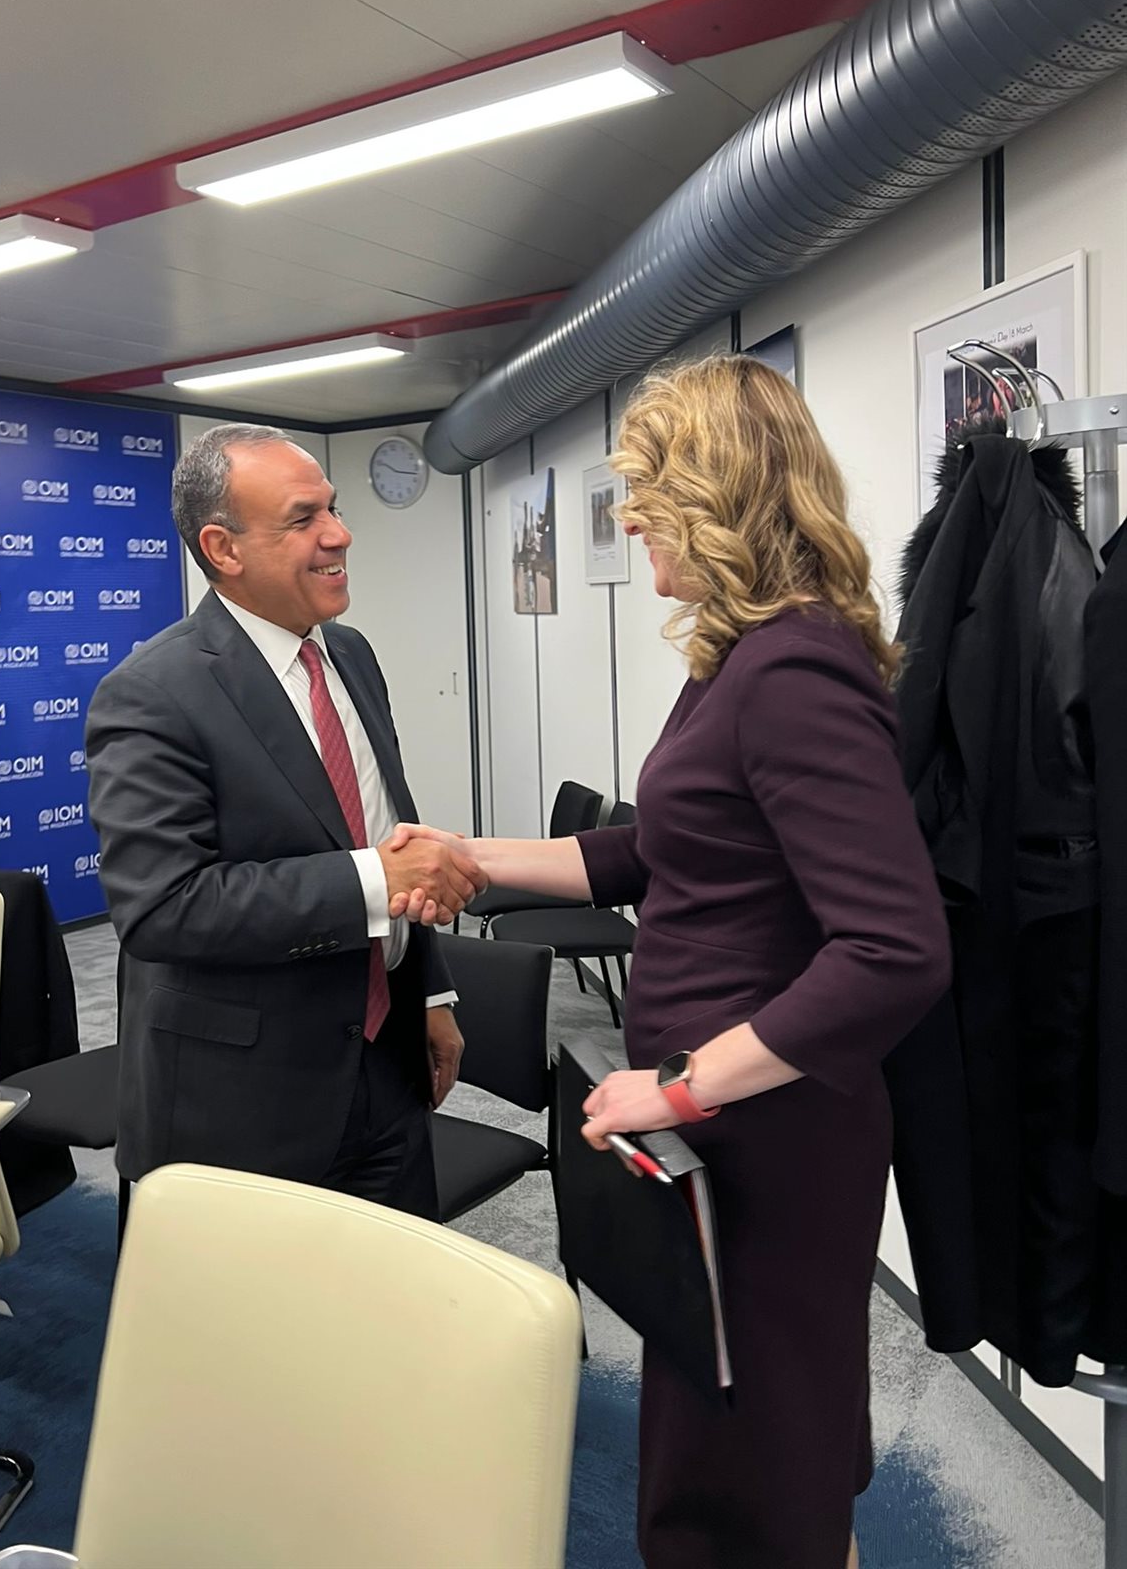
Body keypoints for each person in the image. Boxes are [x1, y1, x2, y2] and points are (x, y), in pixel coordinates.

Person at [394, 356, 951, 1567]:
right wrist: (470, 854)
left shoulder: (793, 669)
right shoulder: (736, 658)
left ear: (716, 494)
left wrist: (682, 1087)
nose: (632, 517)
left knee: (757, 1469)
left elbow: (896, 951)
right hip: (722, 1134)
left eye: (646, 491)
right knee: (741, 1444)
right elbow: (651, 851)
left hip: (771, 1138)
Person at [86, 422, 485, 1220]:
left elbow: (384, 825)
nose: (339, 535)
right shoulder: (153, 693)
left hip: (388, 1069)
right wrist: (376, 879)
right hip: (243, 1105)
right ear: (222, 548)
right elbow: (163, 908)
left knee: (389, 1291)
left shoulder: (352, 655)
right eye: (304, 519)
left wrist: (429, 994)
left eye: (332, 510)